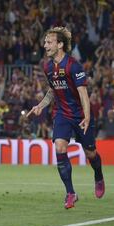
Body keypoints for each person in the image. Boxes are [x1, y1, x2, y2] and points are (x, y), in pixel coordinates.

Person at [27, 27, 105, 209]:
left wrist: (86, 116)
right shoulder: (48, 67)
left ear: (60, 44)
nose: (45, 45)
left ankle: (98, 175)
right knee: (60, 148)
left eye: (49, 42)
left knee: (90, 153)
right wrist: (40, 106)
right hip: (62, 114)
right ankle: (71, 193)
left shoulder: (73, 65)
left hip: (80, 115)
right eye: (45, 42)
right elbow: (52, 91)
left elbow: (83, 94)